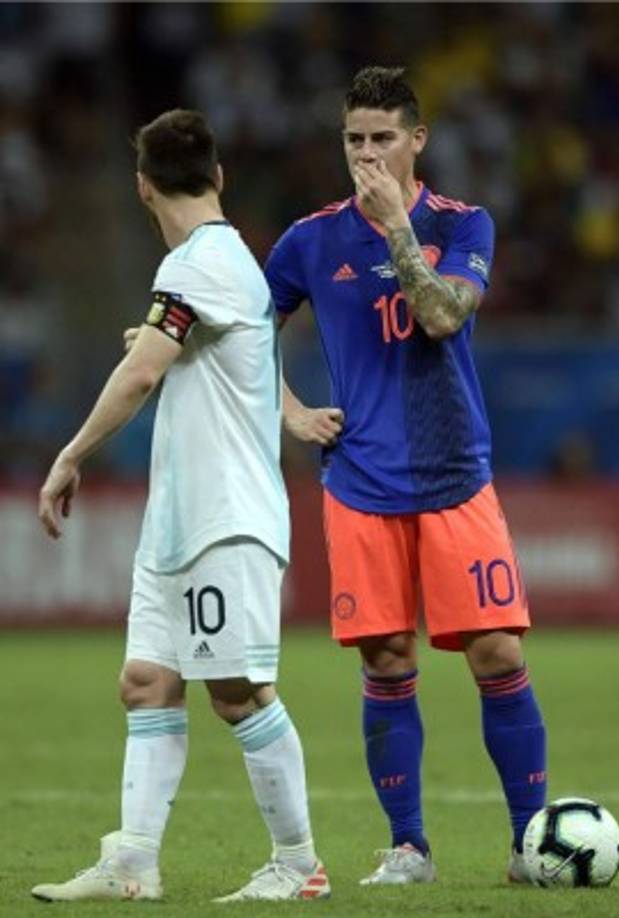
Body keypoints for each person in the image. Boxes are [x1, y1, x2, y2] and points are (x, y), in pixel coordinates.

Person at [33, 109, 329, 904]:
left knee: (235, 691)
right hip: (178, 523)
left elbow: (140, 378)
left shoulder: (199, 264)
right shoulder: (219, 268)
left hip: (223, 518)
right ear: (219, 177)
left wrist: (70, 455)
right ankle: (132, 860)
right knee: (146, 681)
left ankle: (298, 863)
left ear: (141, 188)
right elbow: (192, 354)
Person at [265, 66, 546, 886]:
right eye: (353, 139)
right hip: (359, 482)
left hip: (456, 474)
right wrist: (287, 409)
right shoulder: (308, 241)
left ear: (416, 140)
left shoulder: (465, 225)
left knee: (494, 651)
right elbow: (243, 336)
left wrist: (393, 229)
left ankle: (530, 841)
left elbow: (440, 316)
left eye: (382, 138)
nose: (366, 155)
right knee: (385, 660)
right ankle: (409, 847)